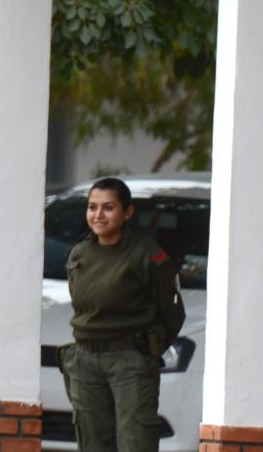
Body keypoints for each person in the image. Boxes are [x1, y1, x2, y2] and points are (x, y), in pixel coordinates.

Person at [59, 177, 185, 452]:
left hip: (130, 361)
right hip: (85, 361)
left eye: (108, 207)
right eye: (92, 207)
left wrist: (146, 352)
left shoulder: (146, 254)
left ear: (127, 212)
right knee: (92, 443)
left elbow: (173, 312)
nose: (98, 215)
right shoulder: (79, 254)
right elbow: (82, 304)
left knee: (135, 442)